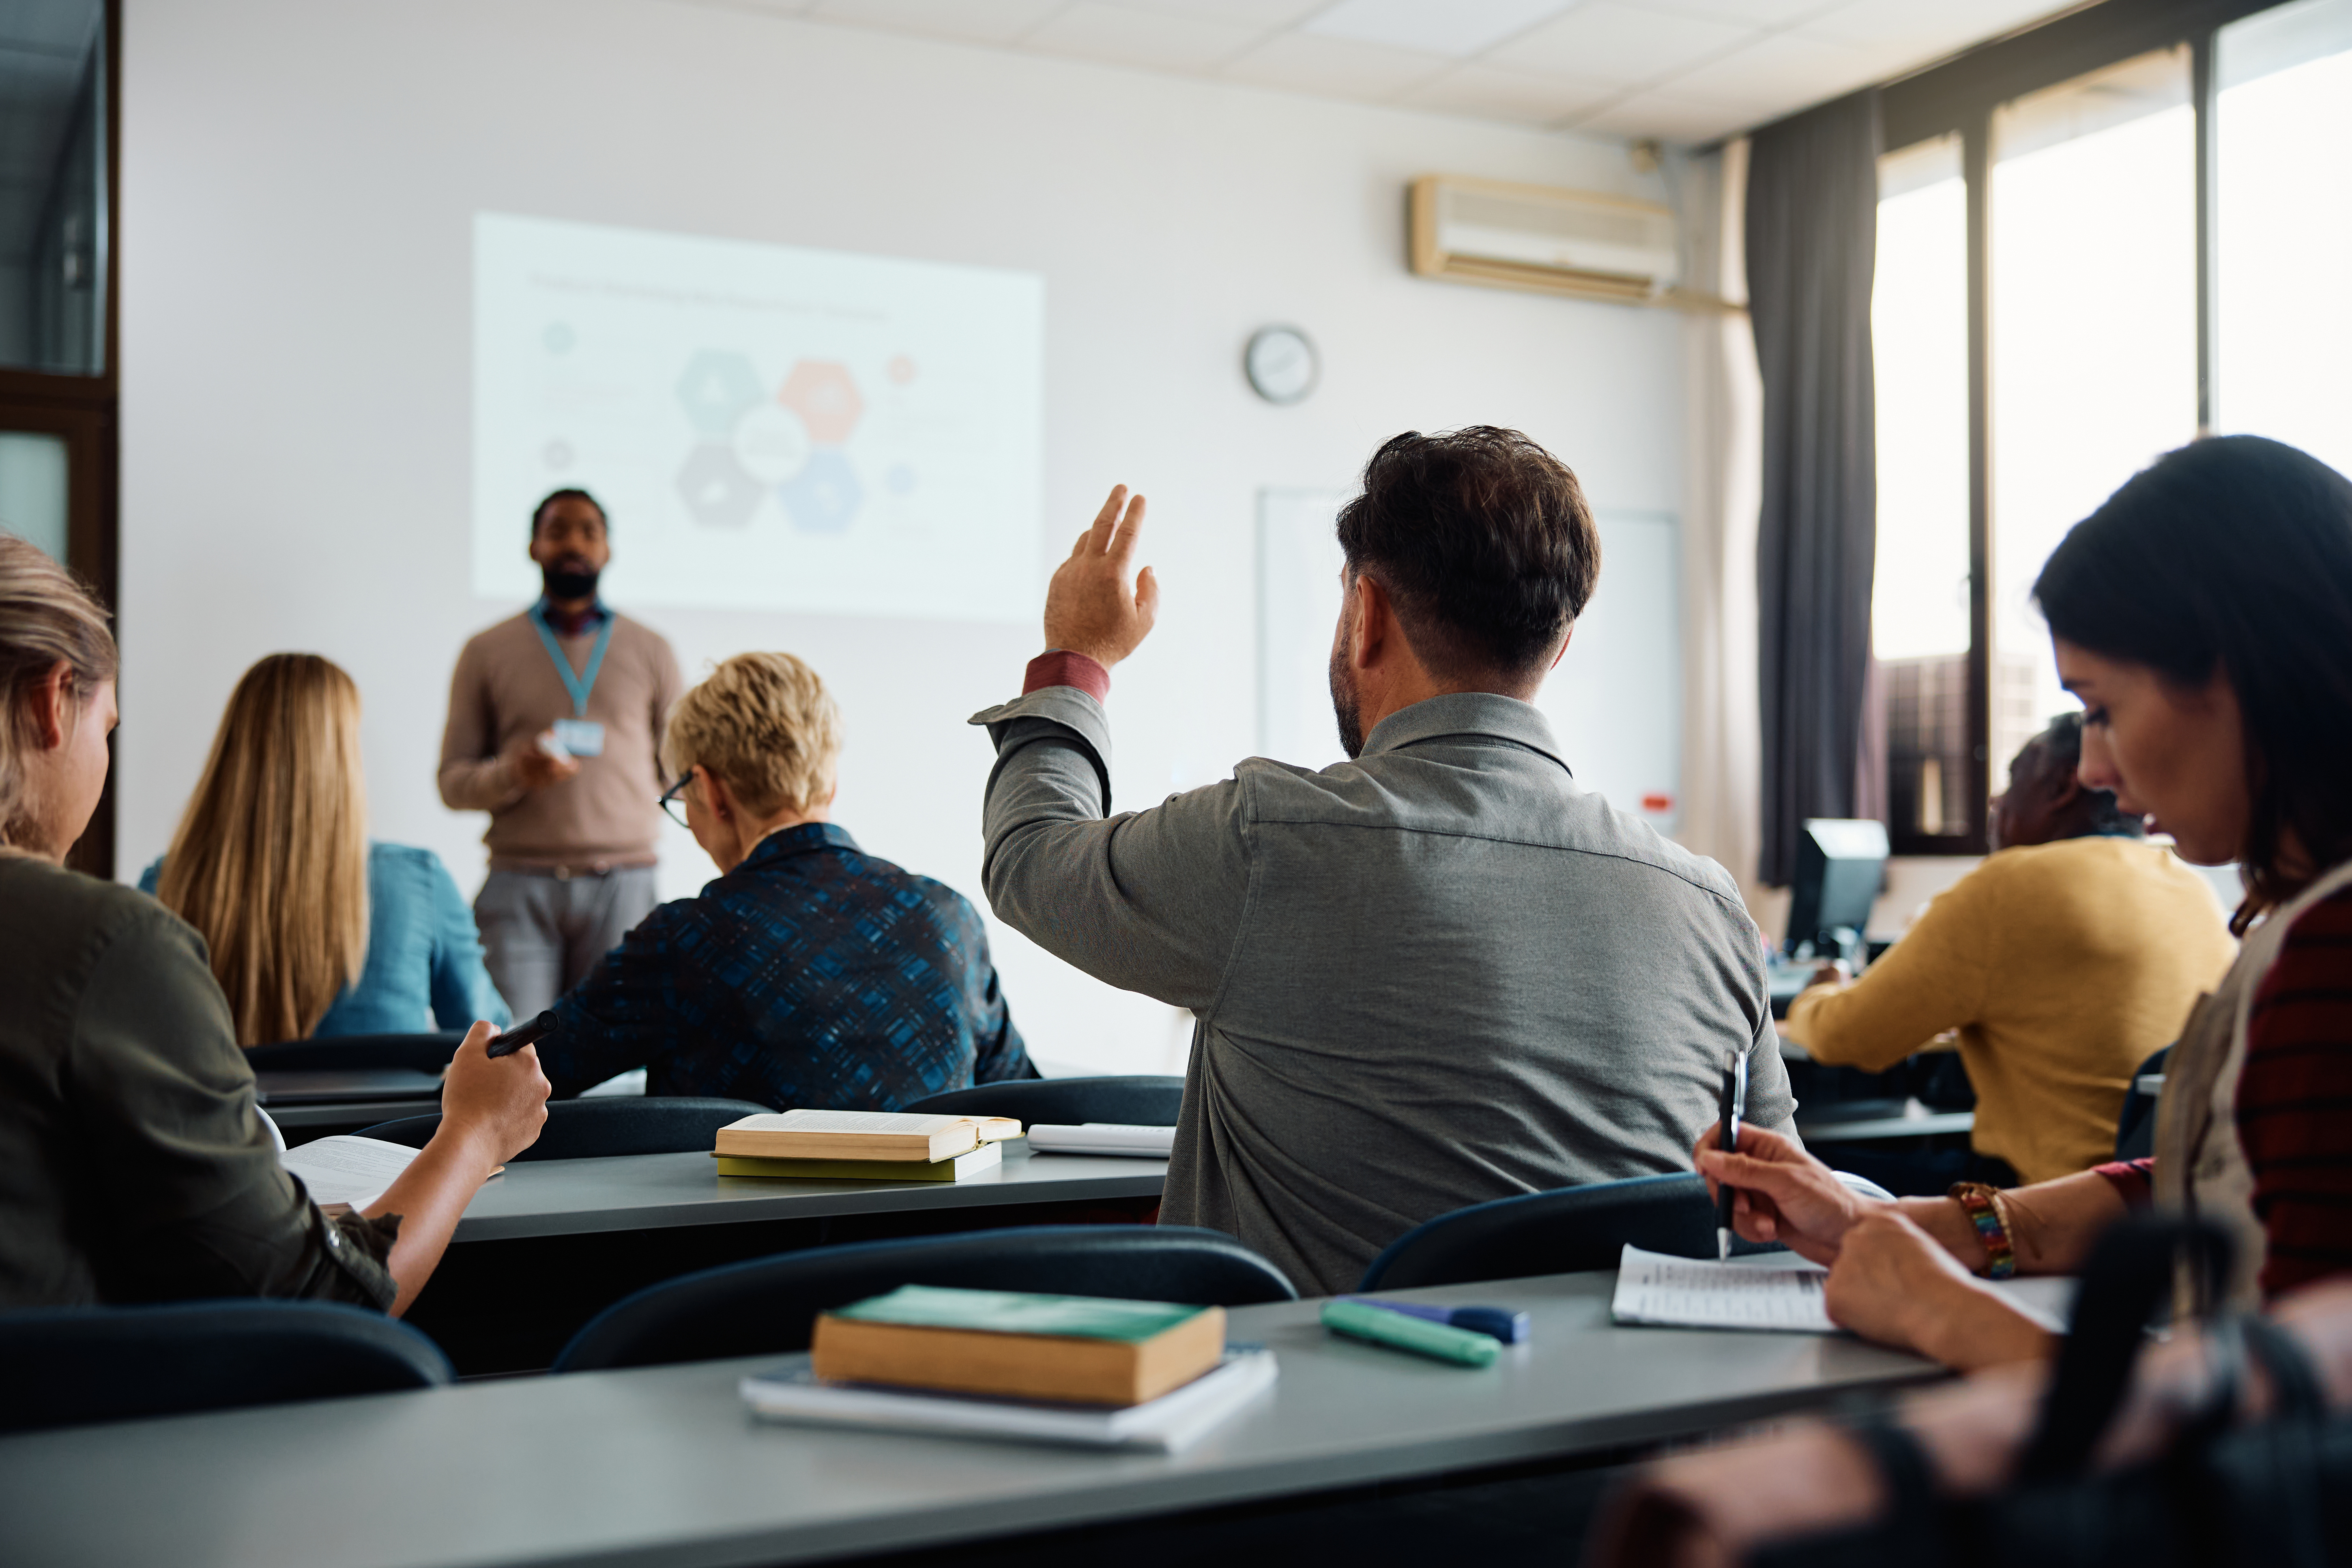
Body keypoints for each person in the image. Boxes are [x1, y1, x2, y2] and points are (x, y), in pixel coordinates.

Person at [968, 428, 1797, 1294]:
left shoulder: (1272, 843)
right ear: (1557, 645)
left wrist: (1078, 658)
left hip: (1310, 1423)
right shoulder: (1711, 909)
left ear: (1366, 615)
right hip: (1615, 1421)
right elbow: (1780, 1205)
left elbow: (1031, 858)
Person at [1697, 435, 2352, 1371]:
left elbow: (2289, 1428)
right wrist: (1897, 1225)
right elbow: (2208, 1186)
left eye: (2101, 708)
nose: (2092, 766)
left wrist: (1941, 1312)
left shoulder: (2331, 949)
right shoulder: (2277, 911)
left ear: (2238, 672)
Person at [0, 536, 548, 1313]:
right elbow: (316, 1294)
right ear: (52, 704)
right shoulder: (107, 943)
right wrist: (476, 1133)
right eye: (109, 727)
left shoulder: (165, 884)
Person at [534, 651, 1033, 1106]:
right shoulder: (949, 919)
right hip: (934, 1210)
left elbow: (520, 1078)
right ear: (831, 779)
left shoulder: (685, 939)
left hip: (742, 1211)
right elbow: (1023, 1099)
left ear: (709, 790)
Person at [1782, 711, 2236, 1190]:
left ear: (2063, 785)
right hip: (2159, 1192)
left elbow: (1849, 1039)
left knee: (1791, 1152)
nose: (1998, 799)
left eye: (2013, 778)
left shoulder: (2011, 885)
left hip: (2039, 1196)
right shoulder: (2192, 887)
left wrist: (1818, 993)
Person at [140, 653, 511, 1045]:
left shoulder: (166, 887)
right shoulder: (419, 882)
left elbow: (136, 1037)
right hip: (389, 1110)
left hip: (232, 1110)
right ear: (343, 754)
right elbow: (492, 1037)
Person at [439, 488, 684, 1018]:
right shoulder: (486, 650)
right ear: (533, 546)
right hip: (519, 885)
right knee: (512, 1056)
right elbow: (452, 782)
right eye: (557, 530)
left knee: (618, 1065)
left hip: (624, 883)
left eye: (588, 531)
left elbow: (682, 773)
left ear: (608, 549)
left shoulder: (652, 649)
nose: (573, 542)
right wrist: (513, 773)